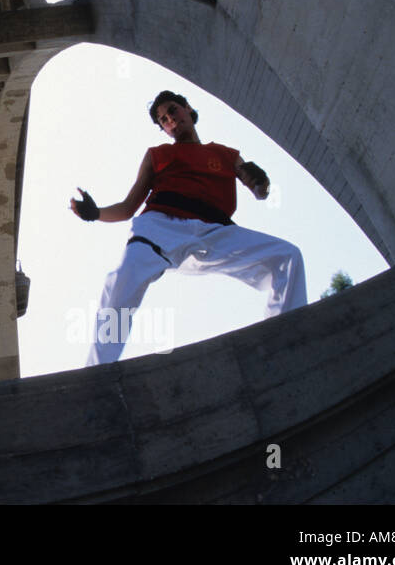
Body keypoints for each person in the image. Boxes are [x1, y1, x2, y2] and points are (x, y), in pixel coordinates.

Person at [70, 90, 307, 365]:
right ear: (164, 129)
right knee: (124, 277)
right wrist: (95, 213)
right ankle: (98, 369)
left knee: (288, 256)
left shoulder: (226, 155)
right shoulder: (157, 155)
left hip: (216, 230)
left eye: (173, 111)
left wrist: (261, 182)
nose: (170, 119)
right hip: (161, 226)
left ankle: (285, 344)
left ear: (187, 109)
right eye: (163, 120)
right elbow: (127, 208)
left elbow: (259, 191)